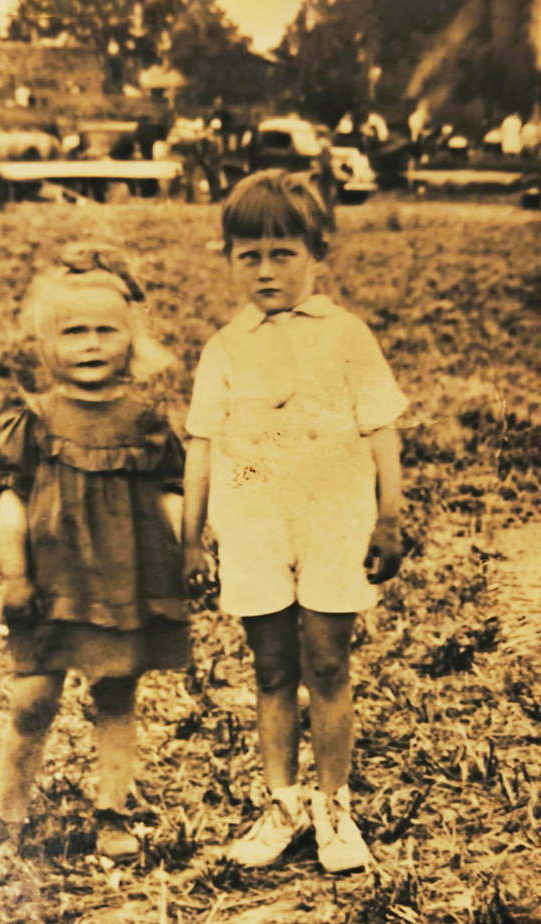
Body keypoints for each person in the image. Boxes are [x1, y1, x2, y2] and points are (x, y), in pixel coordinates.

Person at [182, 170, 408, 872]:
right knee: (273, 667)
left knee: (328, 663)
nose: (265, 270)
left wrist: (389, 517)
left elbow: (381, 428)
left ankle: (334, 807)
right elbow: (201, 446)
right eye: (248, 255)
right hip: (253, 525)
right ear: (228, 258)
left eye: (282, 253)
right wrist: (191, 538)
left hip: (334, 521)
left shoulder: (348, 335)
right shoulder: (225, 347)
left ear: (317, 254)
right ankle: (282, 803)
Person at [0, 245, 188, 861]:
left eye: (107, 330)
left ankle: (112, 812)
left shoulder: (147, 419)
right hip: (50, 584)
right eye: (74, 331)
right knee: (32, 699)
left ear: (133, 338)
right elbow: (11, 501)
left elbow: (171, 492)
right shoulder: (36, 419)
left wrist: (191, 550)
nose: (91, 344)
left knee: (115, 695)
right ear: (47, 343)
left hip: (122, 583)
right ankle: (9, 818)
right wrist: (14, 575)